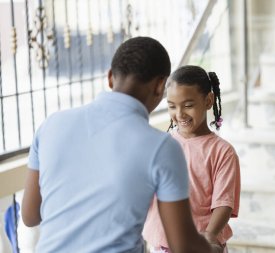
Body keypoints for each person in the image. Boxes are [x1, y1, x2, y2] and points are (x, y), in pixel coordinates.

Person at [22, 37, 222, 253]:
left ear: (110, 78)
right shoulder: (162, 148)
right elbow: (183, 246)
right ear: (159, 86)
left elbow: (30, 215)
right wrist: (213, 249)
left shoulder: (51, 125)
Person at [143, 65, 241, 253]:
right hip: (163, 245)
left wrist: (209, 236)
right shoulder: (162, 144)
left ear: (208, 101)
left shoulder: (223, 152)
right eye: (172, 106)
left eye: (188, 105)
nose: (179, 114)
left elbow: (224, 203)